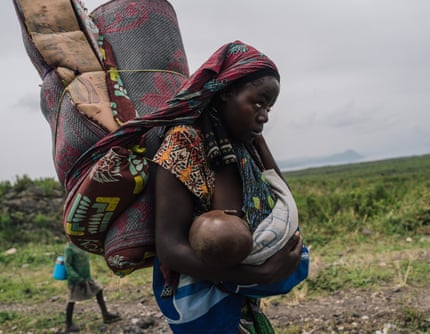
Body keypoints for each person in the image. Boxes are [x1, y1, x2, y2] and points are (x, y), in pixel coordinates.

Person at [151, 40, 309, 334]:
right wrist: (256, 274)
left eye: (270, 108)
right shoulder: (185, 143)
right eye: (258, 103)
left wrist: (259, 142)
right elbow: (169, 248)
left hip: (241, 298)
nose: (264, 115)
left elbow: (284, 205)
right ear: (226, 94)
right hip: (204, 303)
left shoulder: (241, 146)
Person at [64, 242, 121, 333]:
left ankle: (105, 314)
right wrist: (78, 279)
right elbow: (68, 265)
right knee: (71, 300)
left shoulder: (80, 245)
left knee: (98, 290)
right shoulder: (69, 248)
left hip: (87, 278)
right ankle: (68, 324)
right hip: (76, 280)